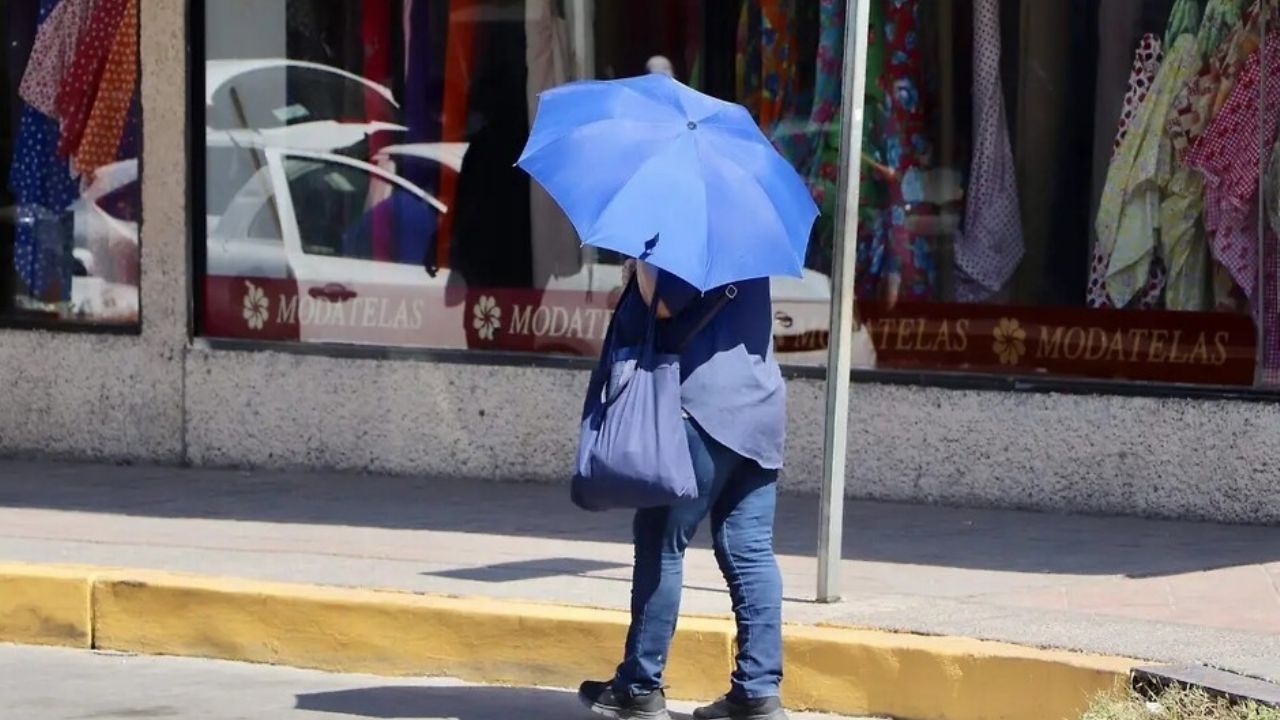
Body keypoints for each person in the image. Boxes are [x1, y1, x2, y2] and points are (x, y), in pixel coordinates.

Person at [578, 258, 789, 720]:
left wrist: (640, 268)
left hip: (699, 411)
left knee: (661, 542)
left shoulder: (682, 230)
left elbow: (667, 302)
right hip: (759, 410)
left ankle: (638, 685)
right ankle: (756, 691)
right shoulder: (744, 236)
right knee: (750, 550)